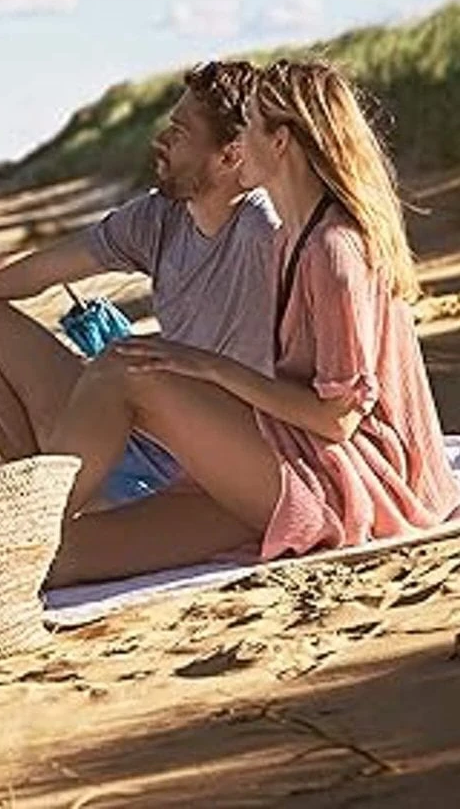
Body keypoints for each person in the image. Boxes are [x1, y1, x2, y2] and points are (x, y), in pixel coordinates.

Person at [41, 59, 460, 586]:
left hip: (354, 482)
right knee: (59, 560)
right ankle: (28, 534)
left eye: (251, 127)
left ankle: (26, 520)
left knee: (121, 368)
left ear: (280, 141)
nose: (239, 142)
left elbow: (338, 420)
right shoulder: (290, 237)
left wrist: (205, 367)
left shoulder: (335, 250)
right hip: (292, 458)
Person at [0, 60, 278, 503]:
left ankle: (73, 506)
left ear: (231, 155)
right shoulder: (160, 217)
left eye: (179, 133)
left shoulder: (265, 229)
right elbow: (27, 270)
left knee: (122, 367)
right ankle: (40, 503)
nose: (160, 140)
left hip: (220, 457)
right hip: (142, 429)